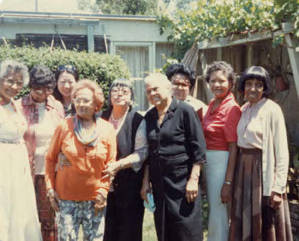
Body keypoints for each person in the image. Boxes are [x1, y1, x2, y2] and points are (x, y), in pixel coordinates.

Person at [45, 79, 117, 241]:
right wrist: (50, 189)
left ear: (96, 104)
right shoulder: (64, 126)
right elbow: (50, 159)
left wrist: (103, 191)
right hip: (66, 199)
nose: (81, 104)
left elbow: (110, 164)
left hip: (95, 200)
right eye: (77, 99)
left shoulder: (107, 129)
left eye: (86, 100)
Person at [229, 66, 293, 241]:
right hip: (244, 171)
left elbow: (281, 151)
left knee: (266, 222)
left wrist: (278, 188)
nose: (253, 89)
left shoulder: (272, 110)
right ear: (243, 86)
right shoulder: (243, 109)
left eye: (258, 85)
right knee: (245, 220)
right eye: (249, 84)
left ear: (265, 88)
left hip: (263, 172)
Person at [141, 73, 206, 241]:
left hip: (183, 182)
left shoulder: (185, 111)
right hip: (160, 183)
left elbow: (198, 148)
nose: (152, 94)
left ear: (168, 89)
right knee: (164, 230)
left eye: (155, 89)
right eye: (148, 91)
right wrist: (145, 182)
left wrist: (193, 180)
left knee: (186, 230)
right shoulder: (149, 117)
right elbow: (149, 153)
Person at [20, 65, 64, 241]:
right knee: (25, 217)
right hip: (24, 170)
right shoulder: (19, 105)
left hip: (50, 172)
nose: (41, 92)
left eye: (46, 88)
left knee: (49, 219)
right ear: (30, 86)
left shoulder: (57, 106)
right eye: (37, 87)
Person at [0, 60, 42, 241]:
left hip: (19, 166)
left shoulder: (15, 105)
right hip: (2, 166)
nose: (14, 86)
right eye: (10, 81)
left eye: (18, 83)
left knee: (20, 212)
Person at [101, 78, 148, 241]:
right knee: (107, 229)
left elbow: (142, 152)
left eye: (125, 91)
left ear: (131, 97)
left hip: (130, 184)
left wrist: (119, 165)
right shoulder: (101, 117)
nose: (119, 94)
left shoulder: (138, 120)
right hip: (103, 184)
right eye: (115, 90)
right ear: (109, 96)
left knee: (129, 230)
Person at [202, 61, 241, 241]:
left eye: (222, 81)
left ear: (231, 83)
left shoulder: (231, 108)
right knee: (214, 210)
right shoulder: (212, 103)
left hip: (221, 162)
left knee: (219, 212)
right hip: (209, 162)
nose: (217, 85)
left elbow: (233, 148)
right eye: (212, 81)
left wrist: (227, 182)